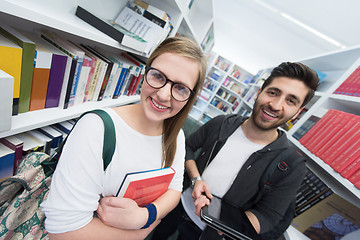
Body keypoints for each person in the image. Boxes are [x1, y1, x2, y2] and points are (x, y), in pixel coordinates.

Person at [40, 36, 207, 240]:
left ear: (191, 97)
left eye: (180, 88)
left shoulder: (176, 137)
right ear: (146, 71)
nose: (164, 95)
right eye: (158, 76)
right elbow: (62, 233)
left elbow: (174, 189)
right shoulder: (96, 128)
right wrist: (136, 235)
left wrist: (144, 216)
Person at [152, 62, 320, 240]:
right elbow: (187, 147)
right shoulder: (222, 123)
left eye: (290, 101)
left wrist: (218, 223)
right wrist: (196, 179)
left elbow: (268, 216)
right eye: (273, 92)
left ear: (297, 113)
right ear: (258, 93)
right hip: (175, 205)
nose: (276, 105)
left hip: (206, 233)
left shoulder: (292, 165)